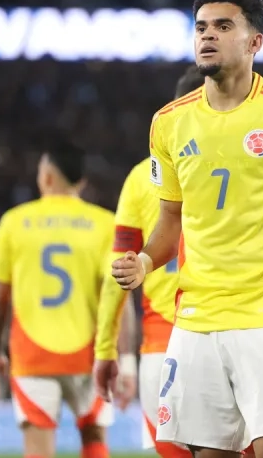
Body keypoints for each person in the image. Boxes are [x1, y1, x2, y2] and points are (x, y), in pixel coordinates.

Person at [110, 0, 263, 458]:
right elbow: (169, 224)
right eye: (201, 27)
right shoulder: (168, 123)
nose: (208, 36)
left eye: (223, 26)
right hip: (196, 319)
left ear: (254, 41)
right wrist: (143, 261)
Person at [94, 65, 204, 458]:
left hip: (163, 344)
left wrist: (108, 350)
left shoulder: (142, 178)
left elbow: (118, 272)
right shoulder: (248, 166)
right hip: (230, 329)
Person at [0, 141, 114, 458]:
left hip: (32, 355)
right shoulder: (104, 223)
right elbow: (116, 295)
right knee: (94, 436)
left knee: (38, 449)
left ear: (46, 178)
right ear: (81, 181)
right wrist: (122, 358)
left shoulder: (15, 221)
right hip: (89, 353)